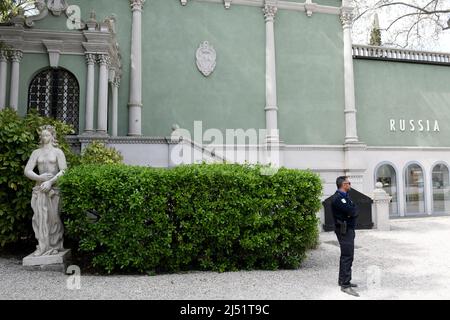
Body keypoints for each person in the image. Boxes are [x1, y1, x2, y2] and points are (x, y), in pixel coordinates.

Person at [24, 125, 67, 256]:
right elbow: (27, 170)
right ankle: (42, 246)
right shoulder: (36, 153)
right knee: (39, 218)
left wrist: (50, 181)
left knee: (54, 218)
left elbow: (64, 171)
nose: (44, 137)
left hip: (54, 190)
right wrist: (39, 177)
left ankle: (54, 245)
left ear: (52, 136)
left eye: (47, 135)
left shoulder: (58, 152)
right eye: (42, 135)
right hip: (40, 189)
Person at [331, 176, 359, 297]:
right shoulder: (338, 198)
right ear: (343, 185)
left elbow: (353, 210)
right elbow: (352, 211)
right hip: (344, 230)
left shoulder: (345, 197)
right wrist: (352, 212)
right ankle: (345, 285)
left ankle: (343, 280)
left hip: (348, 229)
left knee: (348, 255)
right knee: (347, 256)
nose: (350, 185)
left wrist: (352, 211)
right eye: (349, 183)